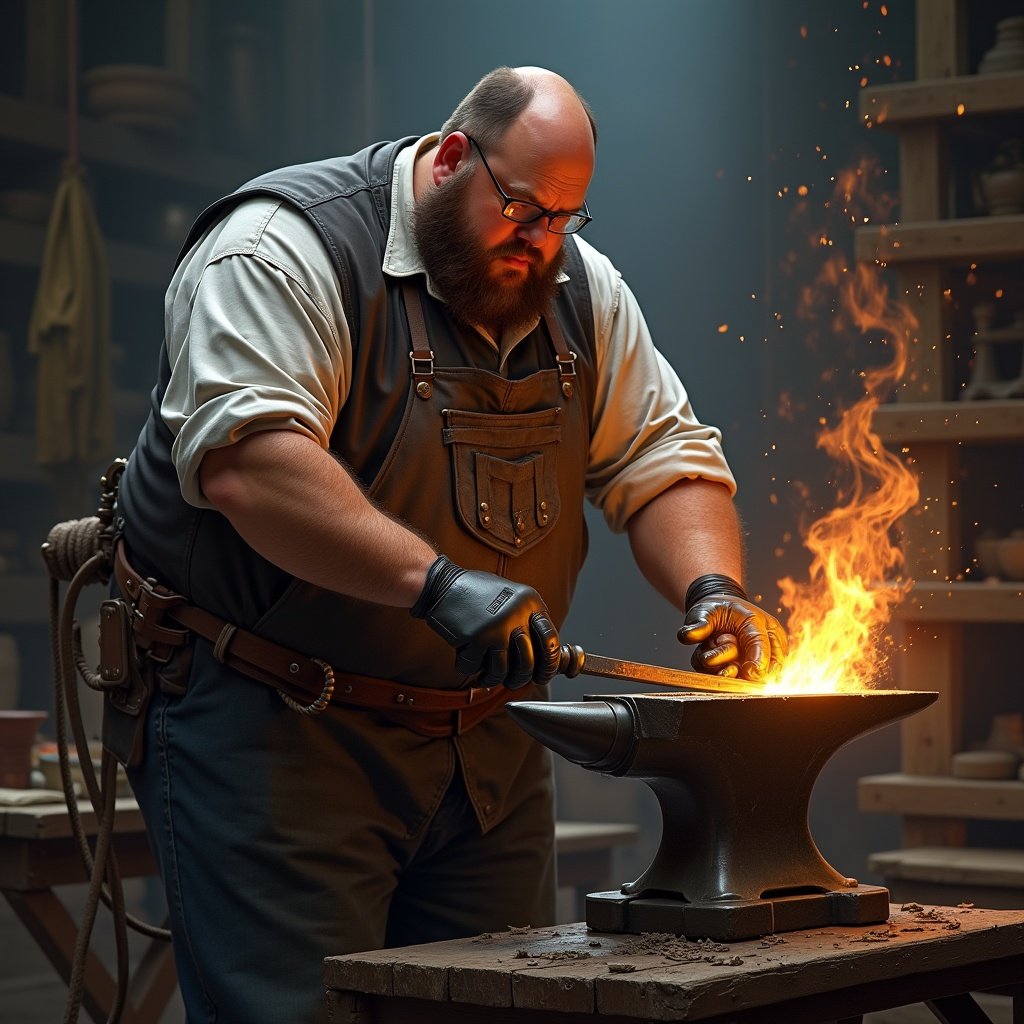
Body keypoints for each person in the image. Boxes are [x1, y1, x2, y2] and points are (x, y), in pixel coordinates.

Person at [109, 65, 787, 1023]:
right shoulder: (280, 249)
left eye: (566, 218)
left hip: (486, 747)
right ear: (451, 156)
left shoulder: (578, 287)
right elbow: (250, 464)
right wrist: (435, 585)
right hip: (281, 730)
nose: (542, 242)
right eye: (520, 209)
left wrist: (712, 586)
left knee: (495, 1005)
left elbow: (661, 452)